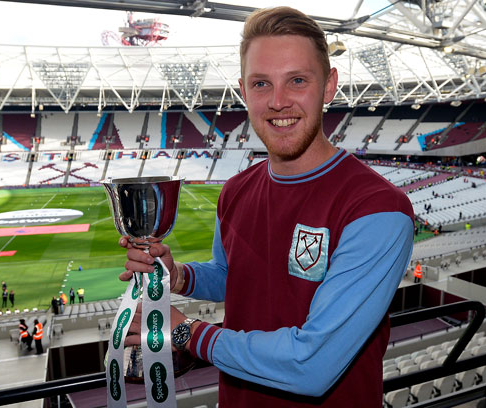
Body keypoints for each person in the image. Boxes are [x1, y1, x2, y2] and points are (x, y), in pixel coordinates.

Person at [118, 7, 414, 406]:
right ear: (243, 90)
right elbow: (233, 277)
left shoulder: (376, 208)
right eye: (261, 83)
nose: (277, 102)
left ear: (328, 86)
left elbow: (312, 364)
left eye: (296, 80)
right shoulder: (236, 190)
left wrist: (187, 332)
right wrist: (177, 276)